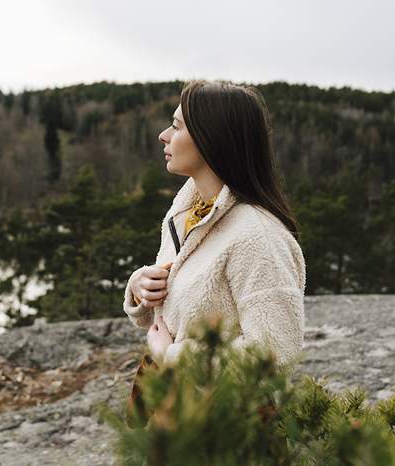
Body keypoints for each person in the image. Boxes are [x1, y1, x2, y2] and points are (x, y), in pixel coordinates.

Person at [123, 79, 307, 372]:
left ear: (211, 138)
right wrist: (142, 288)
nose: (163, 135)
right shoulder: (186, 214)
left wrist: (171, 357)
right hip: (180, 405)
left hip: (223, 414)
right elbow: (188, 307)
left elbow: (275, 353)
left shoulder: (257, 235)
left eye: (176, 126)